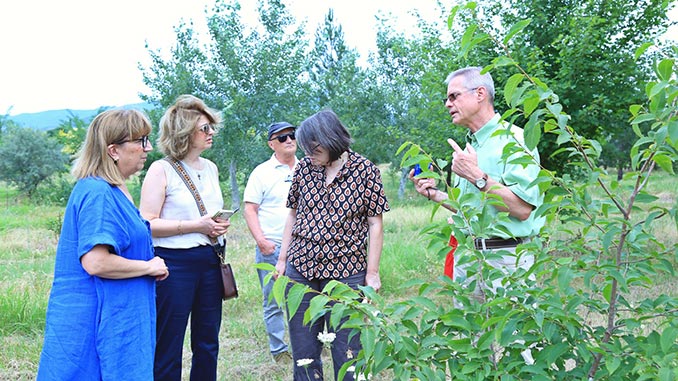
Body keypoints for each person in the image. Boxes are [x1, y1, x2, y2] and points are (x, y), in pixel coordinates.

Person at [37, 109, 169, 380]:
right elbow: (96, 262)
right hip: (97, 322)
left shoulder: (112, 188)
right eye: (141, 140)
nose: (148, 147)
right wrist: (148, 266)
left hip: (115, 316)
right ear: (113, 150)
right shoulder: (98, 193)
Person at [410, 66, 544, 298]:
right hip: (468, 258)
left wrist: (477, 177)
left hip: (507, 259)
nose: (448, 104)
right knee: (472, 334)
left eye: (454, 96)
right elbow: (468, 208)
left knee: (513, 334)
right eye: (447, 98)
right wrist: (433, 193)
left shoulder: (514, 140)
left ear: (480, 94)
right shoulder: (471, 146)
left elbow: (522, 210)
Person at [275, 110, 390, 381]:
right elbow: (292, 214)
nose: (308, 154)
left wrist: (371, 273)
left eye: (313, 148)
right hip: (301, 270)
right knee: (304, 352)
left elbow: (376, 224)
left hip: (347, 274)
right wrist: (282, 261)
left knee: (348, 350)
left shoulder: (365, 171)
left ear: (332, 141)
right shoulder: (304, 168)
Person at [139, 95, 231, 381]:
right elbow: (147, 224)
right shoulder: (161, 169)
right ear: (184, 133)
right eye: (204, 128)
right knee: (169, 342)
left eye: (211, 127)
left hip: (209, 260)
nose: (211, 132)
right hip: (174, 264)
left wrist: (214, 226)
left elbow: (205, 217)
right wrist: (195, 226)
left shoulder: (211, 167)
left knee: (208, 342)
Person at [243, 121, 297, 364]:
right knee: (274, 300)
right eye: (282, 137)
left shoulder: (307, 168)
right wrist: (261, 240)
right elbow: (250, 210)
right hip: (272, 246)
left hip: (304, 247)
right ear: (271, 144)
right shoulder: (262, 172)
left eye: (292, 135)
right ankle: (279, 350)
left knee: (305, 299)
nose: (288, 140)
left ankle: (310, 344)